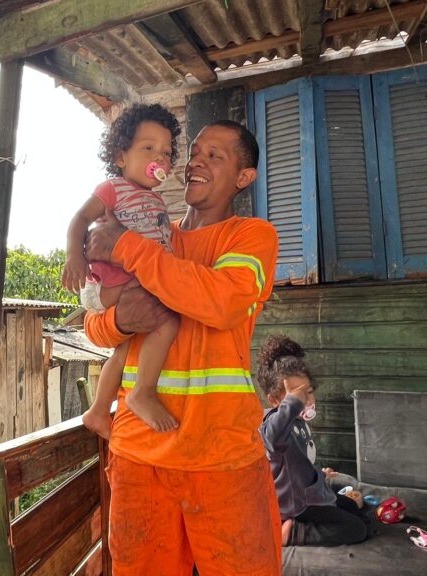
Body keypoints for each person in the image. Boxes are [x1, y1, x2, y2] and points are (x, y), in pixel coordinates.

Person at [83, 121, 282, 575]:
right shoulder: (150, 235)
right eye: (194, 152)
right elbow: (95, 327)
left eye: (215, 155)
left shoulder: (250, 237)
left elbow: (221, 301)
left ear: (243, 177)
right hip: (139, 454)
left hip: (223, 457)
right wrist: (117, 320)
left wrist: (128, 249)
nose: (196, 162)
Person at [62, 103, 181, 439]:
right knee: (167, 318)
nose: (160, 157)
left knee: (126, 345)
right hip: (109, 281)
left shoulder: (156, 202)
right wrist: (75, 257)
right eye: (148, 148)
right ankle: (143, 391)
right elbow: (80, 220)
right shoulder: (112, 188)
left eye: (167, 152)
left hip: (131, 281)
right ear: (120, 157)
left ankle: (98, 411)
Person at [256, 334, 369, 547]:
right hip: (295, 505)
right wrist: (292, 404)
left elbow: (299, 462)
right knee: (357, 528)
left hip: (308, 492)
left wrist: (320, 475)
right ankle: (292, 533)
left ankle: (320, 506)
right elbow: (271, 436)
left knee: (353, 507)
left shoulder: (298, 423)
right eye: (296, 396)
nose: (306, 401)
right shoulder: (275, 425)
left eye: (308, 392)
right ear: (274, 400)